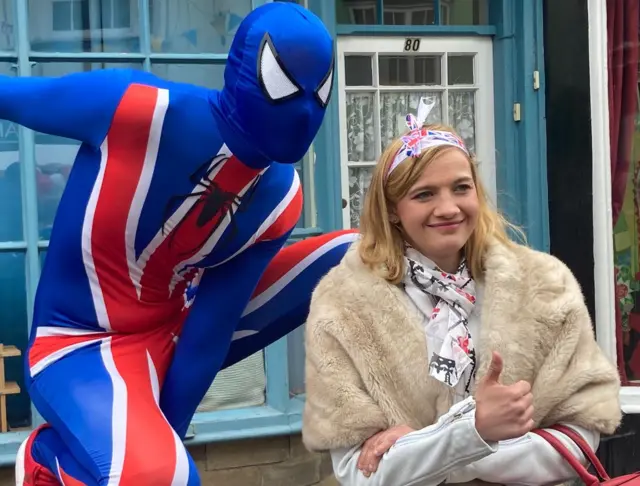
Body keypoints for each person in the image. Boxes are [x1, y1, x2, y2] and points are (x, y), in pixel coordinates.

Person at [4, 3, 358, 485]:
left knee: (358, 254)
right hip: (78, 344)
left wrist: (166, 433)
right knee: (163, 477)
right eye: (284, 84)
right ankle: (49, 456)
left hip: (173, 330)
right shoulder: (139, 110)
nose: (304, 111)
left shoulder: (279, 195)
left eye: (319, 92)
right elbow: (13, 95)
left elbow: (213, 327)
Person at [301, 100, 622, 486]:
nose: (448, 208)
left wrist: (450, 444)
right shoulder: (343, 305)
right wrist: (470, 433)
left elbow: (580, 439)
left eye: (461, 188)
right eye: (424, 195)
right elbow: (362, 472)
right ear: (391, 210)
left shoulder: (545, 285)